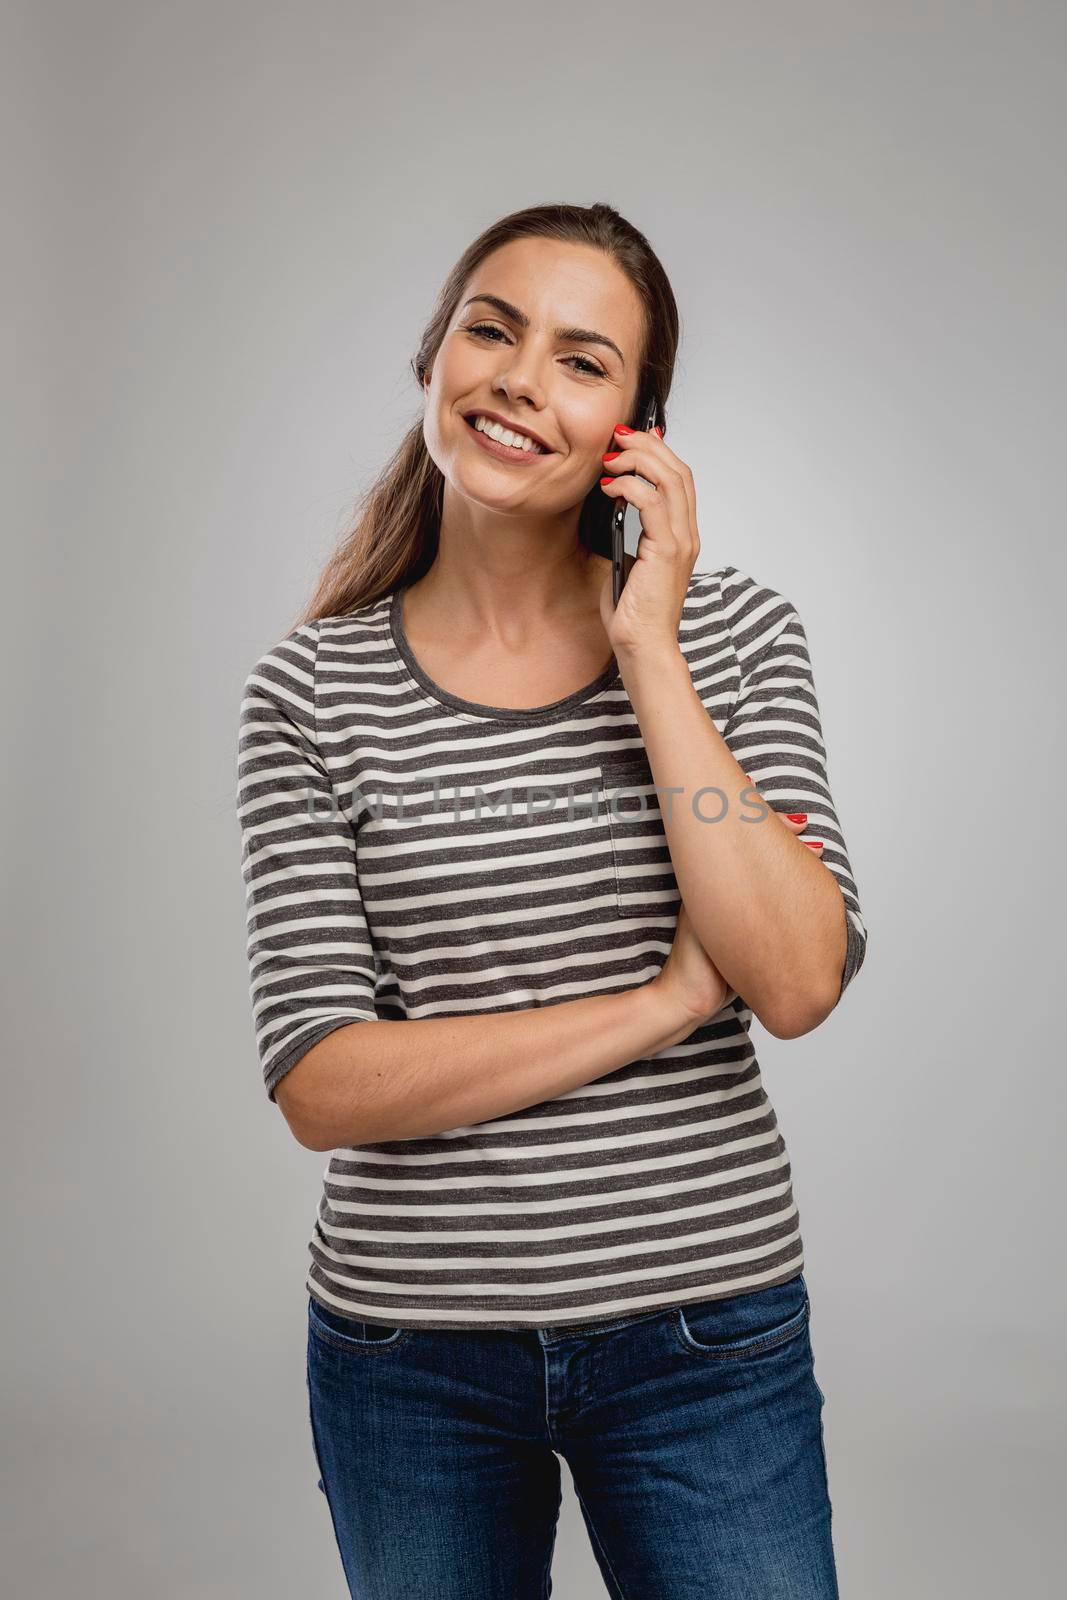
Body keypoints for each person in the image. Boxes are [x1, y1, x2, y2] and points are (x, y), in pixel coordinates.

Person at [236, 202, 867, 1599]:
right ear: (434, 361)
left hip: (705, 1336)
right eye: (493, 328)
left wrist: (650, 644)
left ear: (636, 430)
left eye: (584, 361)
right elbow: (325, 1085)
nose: (523, 377)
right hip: (412, 1357)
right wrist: (661, 1003)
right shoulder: (311, 691)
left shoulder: (736, 637)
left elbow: (799, 977)